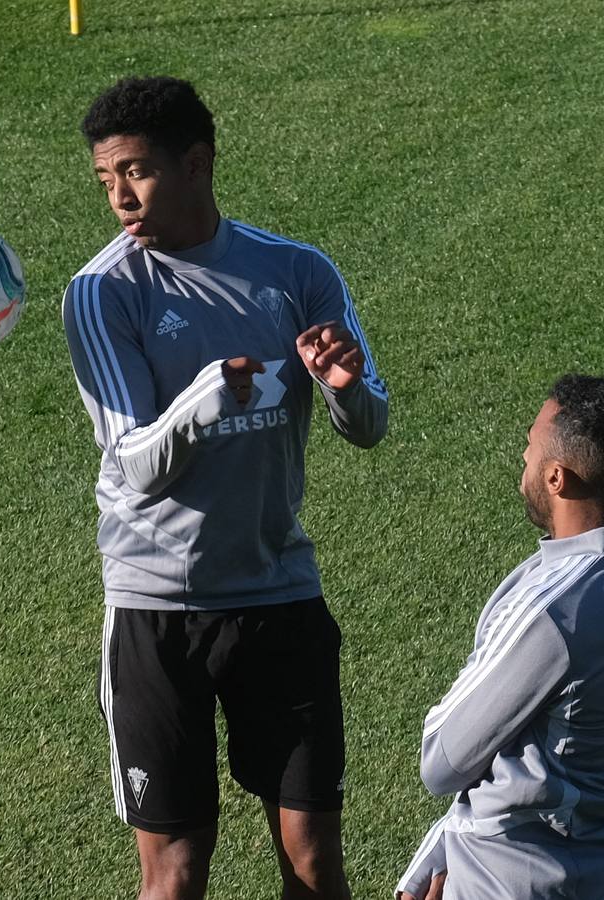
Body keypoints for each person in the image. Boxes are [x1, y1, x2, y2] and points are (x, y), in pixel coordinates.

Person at [62, 76, 388, 900]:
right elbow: (135, 461)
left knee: (314, 859)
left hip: (279, 592)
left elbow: (370, 424)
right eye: (106, 180)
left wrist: (345, 386)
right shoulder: (102, 293)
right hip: (155, 608)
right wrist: (202, 404)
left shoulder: (296, 270)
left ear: (197, 163)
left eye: (135, 171)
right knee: (175, 872)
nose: (120, 199)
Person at [397, 375, 604, 900]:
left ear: (556, 478)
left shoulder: (551, 615)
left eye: (529, 448)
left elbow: (442, 760)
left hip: (515, 879)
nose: (522, 460)